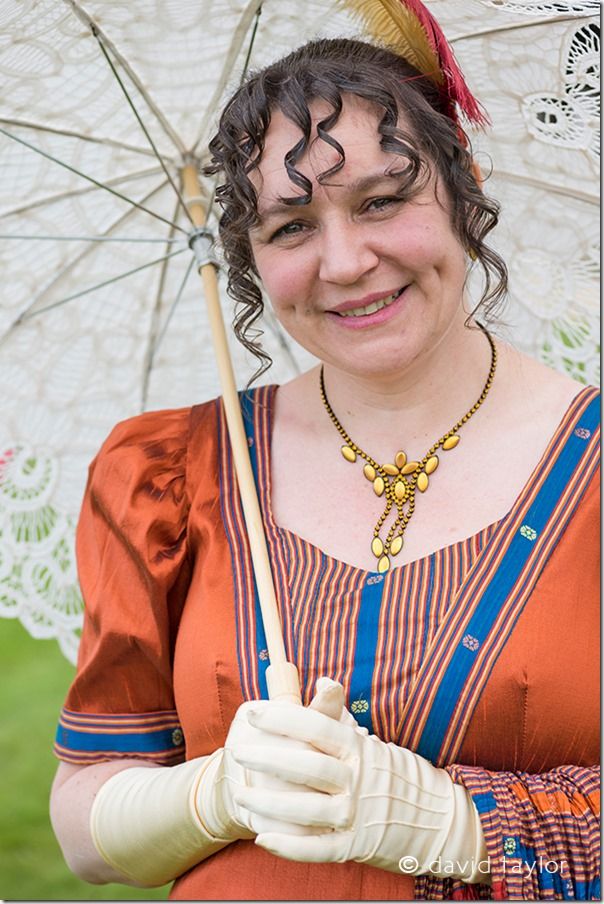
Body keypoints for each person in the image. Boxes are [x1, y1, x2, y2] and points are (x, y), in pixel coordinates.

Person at [49, 20, 599, 904]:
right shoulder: (168, 474)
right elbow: (83, 830)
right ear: (248, 254)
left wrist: (462, 826)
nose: (345, 262)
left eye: (383, 200)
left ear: (465, 187)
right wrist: (212, 793)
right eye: (291, 224)